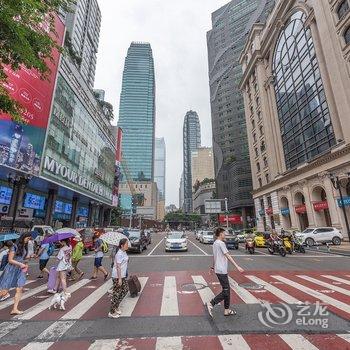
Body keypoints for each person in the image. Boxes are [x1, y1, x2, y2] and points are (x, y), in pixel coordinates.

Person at [207, 227, 238, 317]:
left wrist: (212, 267)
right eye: (224, 233)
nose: (225, 235)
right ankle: (211, 303)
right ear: (220, 234)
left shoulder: (215, 243)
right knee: (226, 290)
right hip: (221, 270)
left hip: (218, 269)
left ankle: (226, 310)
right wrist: (237, 266)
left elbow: (214, 257)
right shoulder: (221, 243)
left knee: (227, 290)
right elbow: (227, 255)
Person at [0, 232, 31, 315]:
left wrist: (26, 260)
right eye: (28, 238)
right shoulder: (14, 247)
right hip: (11, 269)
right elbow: (10, 260)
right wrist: (21, 264)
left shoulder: (24, 247)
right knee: (4, 291)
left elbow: (21, 258)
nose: (28, 240)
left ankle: (14, 309)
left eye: (29, 239)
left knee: (19, 289)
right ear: (23, 237)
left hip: (21, 270)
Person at [108, 238, 129, 318]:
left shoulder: (124, 252)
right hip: (117, 276)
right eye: (126, 244)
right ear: (122, 245)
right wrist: (120, 278)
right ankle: (111, 312)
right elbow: (118, 267)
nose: (128, 245)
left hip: (122, 275)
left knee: (125, 290)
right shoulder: (119, 254)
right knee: (116, 293)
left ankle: (116, 306)